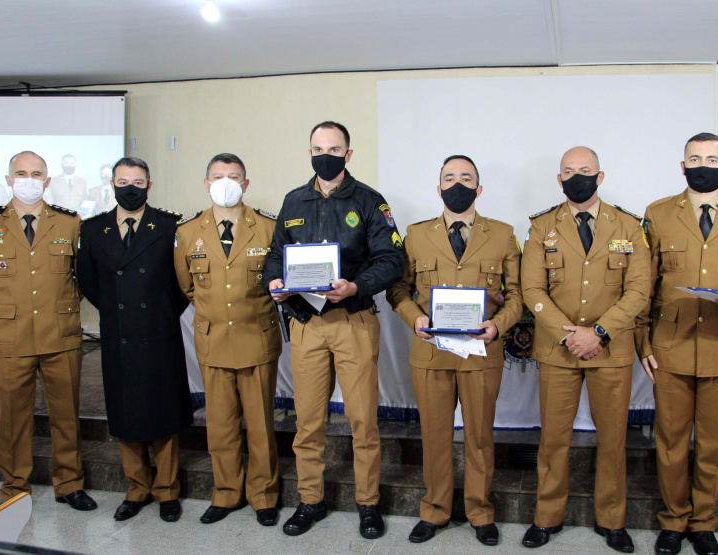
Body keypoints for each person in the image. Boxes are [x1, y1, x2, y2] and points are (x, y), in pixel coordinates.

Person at [263, 121, 405, 540]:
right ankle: (311, 500)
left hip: (353, 320)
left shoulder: (369, 201)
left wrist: (356, 286)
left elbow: (392, 259)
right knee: (308, 422)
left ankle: (368, 503)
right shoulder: (293, 200)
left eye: (334, 149)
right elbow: (275, 255)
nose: (325, 155)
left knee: (363, 421)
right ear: (309, 153)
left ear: (348, 154)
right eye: (318, 149)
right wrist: (274, 281)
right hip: (307, 324)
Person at [635, 133, 718, 555]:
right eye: (694, 159)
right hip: (670, 344)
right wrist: (642, 343)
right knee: (671, 442)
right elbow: (644, 283)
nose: (702, 165)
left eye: (712, 159)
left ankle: (703, 523)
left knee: (714, 443)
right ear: (682, 166)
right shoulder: (658, 214)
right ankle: (674, 521)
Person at [386, 155, 523, 546]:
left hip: (481, 352)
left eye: (466, 178)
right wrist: (414, 317)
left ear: (479, 188)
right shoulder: (416, 235)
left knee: (479, 438)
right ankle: (435, 510)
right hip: (431, 353)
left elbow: (517, 294)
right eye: (449, 178)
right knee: (434, 436)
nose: (457, 184)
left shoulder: (503, 234)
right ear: (439, 188)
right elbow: (397, 289)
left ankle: (480, 512)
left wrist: (499, 325)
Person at [521, 146, 650, 552]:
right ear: (559, 179)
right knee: (553, 440)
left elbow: (639, 290)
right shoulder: (542, 226)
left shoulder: (628, 226)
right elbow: (532, 289)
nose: (577, 176)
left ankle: (612, 521)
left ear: (600, 176)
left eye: (585, 170)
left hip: (610, 350)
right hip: (558, 349)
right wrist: (570, 335)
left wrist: (599, 332)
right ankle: (547, 517)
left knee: (612, 440)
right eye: (569, 171)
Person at [77, 156, 193, 523]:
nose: (131, 188)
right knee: (125, 412)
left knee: (164, 412)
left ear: (149, 185)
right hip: (119, 333)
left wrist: (160, 311)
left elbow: (183, 283)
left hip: (159, 331)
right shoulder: (93, 229)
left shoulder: (170, 225)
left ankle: (167, 490)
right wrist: (118, 311)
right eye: (123, 181)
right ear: (112, 184)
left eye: (138, 182)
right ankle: (136, 488)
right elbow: (88, 281)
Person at [174, 153, 281, 527]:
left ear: (246, 184)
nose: (225, 183)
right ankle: (226, 493)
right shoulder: (187, 231)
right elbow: (188, 286)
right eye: (218, 176)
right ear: (206, 184)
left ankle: (263, 495)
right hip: (214, 339)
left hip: (257, 338)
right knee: (220, 426)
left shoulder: (268, 227)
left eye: (233, 176)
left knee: (261, 425)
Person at [0, 151, 96, 511]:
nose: (29, 180)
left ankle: (69, 484)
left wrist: (62, 305)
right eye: (21, 173)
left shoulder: (70, 223)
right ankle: (14, 487)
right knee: (11, 419)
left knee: (66, 415)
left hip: (60, 334)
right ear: (9, 180)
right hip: (9, 336)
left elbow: (83, 277)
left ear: (47, 181)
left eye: (36, 174)